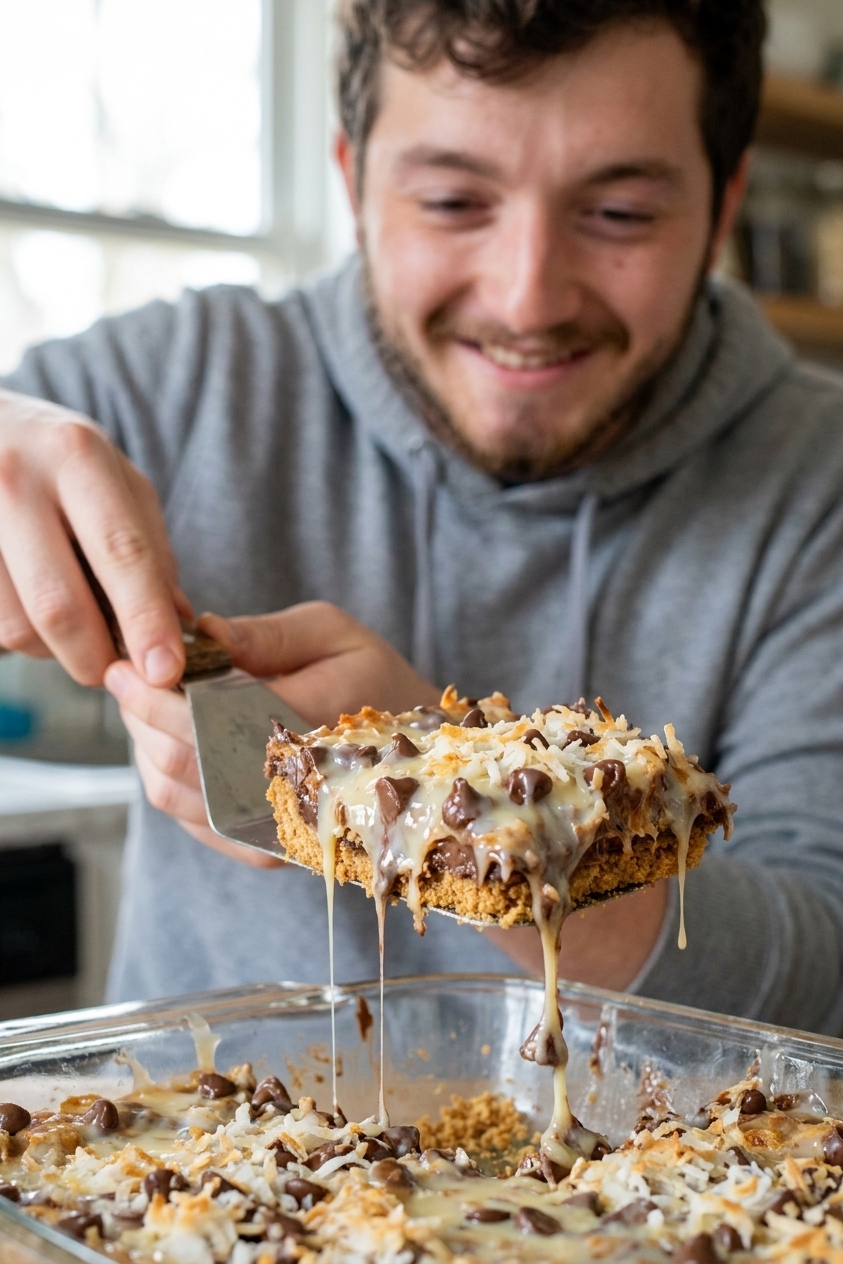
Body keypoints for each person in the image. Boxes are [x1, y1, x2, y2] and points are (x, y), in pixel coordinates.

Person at [2, 0, 842, 1032]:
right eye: (452, 201)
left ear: (725, 205)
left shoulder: (821, 482)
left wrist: (446, 789)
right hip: (167, 1171)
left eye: (620, 214)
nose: (527, 296)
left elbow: (823, 984)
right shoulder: (181, 382)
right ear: (353, 181)